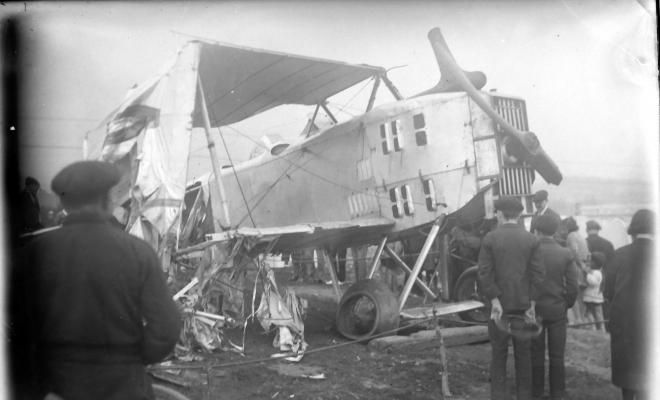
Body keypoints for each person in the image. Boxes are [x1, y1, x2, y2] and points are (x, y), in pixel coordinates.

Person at [9, 161, 181, 400]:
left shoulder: (33, 254)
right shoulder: (139, 252)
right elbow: (167, 328)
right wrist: (129, 358)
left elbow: (19, 333)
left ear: (65, 203)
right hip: (124, 388)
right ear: (108, 200)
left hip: (58, 387)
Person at [478, 196, 545, 400]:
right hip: (524, 309)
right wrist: (532, 304)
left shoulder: (490, 238)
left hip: (499, 309)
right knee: (524, 357)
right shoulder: (532, 239)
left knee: (498, 356)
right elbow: (538, 275)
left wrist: (495, 301)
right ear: (518, 215)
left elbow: (484, 274)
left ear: (499, 214)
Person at [604, 209, 654, 400]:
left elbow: (607, 292)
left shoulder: (619, 255)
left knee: (628, 377)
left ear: (633, 228)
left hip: (624, 323)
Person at [531, 214, 578, 400]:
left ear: (537, 231)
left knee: (536, 353)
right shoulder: (565, 253)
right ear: (554, 230)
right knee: (557, 354)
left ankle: (537, 391)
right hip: (557, 309)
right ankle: (557, 393)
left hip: (535, 310)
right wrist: (566, 304)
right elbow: (573, 287)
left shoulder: (530, 252)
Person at [564, 217, 589, 324]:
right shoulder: (580, 235)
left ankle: (578, 319)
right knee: (581, 296)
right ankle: (582, 319)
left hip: (576, 266)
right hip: (583, 265)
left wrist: (580, 264)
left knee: (574, 293)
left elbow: (574, 251)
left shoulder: (571, 236)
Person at [583, 251, 606, 332]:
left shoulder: (596, 273)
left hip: (591, 297)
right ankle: (601, 328)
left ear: (595, 262)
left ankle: (595, 328)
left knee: (589, 313)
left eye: (590, 261)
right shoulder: (597, 272)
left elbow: (593, 282)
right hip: (595, 297)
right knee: (597, 313)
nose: (588, 263)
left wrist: (587, 274)